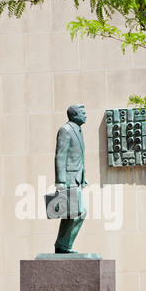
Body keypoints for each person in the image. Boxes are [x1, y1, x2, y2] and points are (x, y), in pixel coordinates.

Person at [54, 104, 88, 253]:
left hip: (76, 178)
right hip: (68, 179)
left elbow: (79, 157)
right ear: (74, 115)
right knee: (79, 211)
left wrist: (83, 177)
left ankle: (62, 245)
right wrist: (60, 181)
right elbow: (60, 155)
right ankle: (62, 245)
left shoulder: (78, 131)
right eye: (83, 112)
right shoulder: (66, 130)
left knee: (73, 213)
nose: (86, 115)